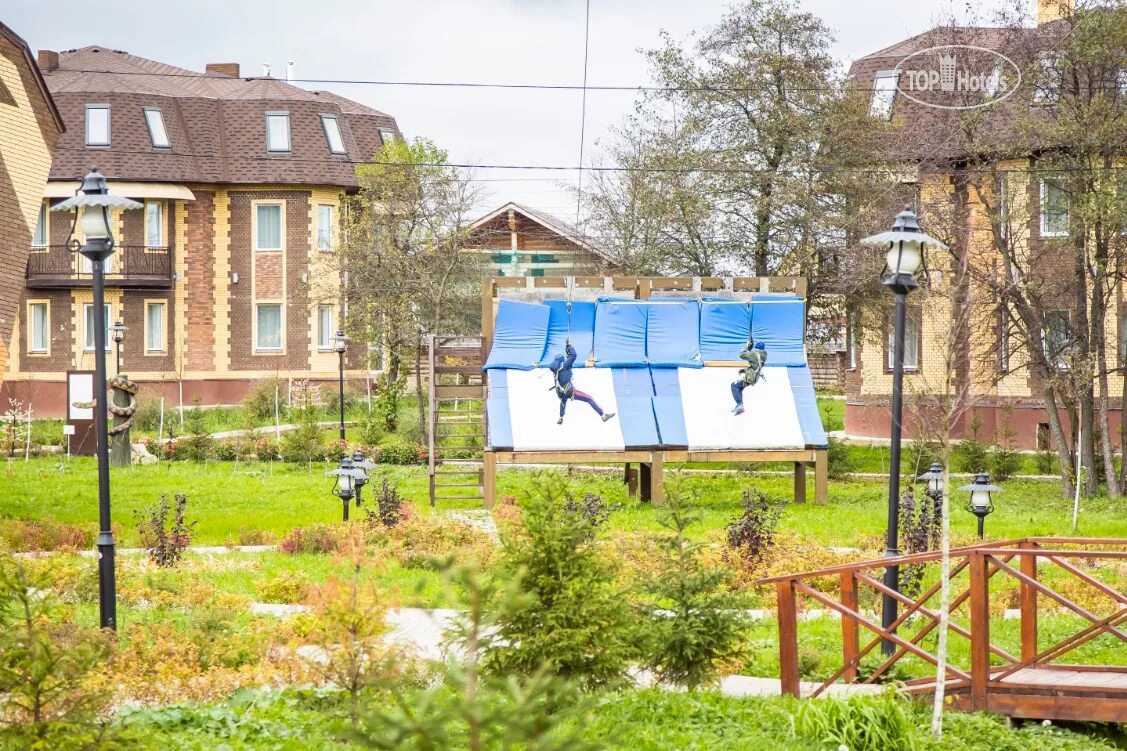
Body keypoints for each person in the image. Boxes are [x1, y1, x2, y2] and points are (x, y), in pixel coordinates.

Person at [548, 340, 615, 425]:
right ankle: (603, 415)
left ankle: (561, 417)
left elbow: (569, 358)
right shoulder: (565, 365)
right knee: (589, 398)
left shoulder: (554, 369)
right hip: (569, 390)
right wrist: (569, 346)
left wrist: (567, 347)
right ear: (562, 360)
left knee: (563, 401)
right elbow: (573, 355)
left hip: (561, 392)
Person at [730, 340, 767, 416]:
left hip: (750, 377)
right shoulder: (763, 355)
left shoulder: (754, 354)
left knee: (734, 386)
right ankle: (740, 405)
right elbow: (755, 365)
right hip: (754, 376)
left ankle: (740, 405)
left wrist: (747, 345)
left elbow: (742, 354)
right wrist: (745, 370)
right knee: (739, 388)